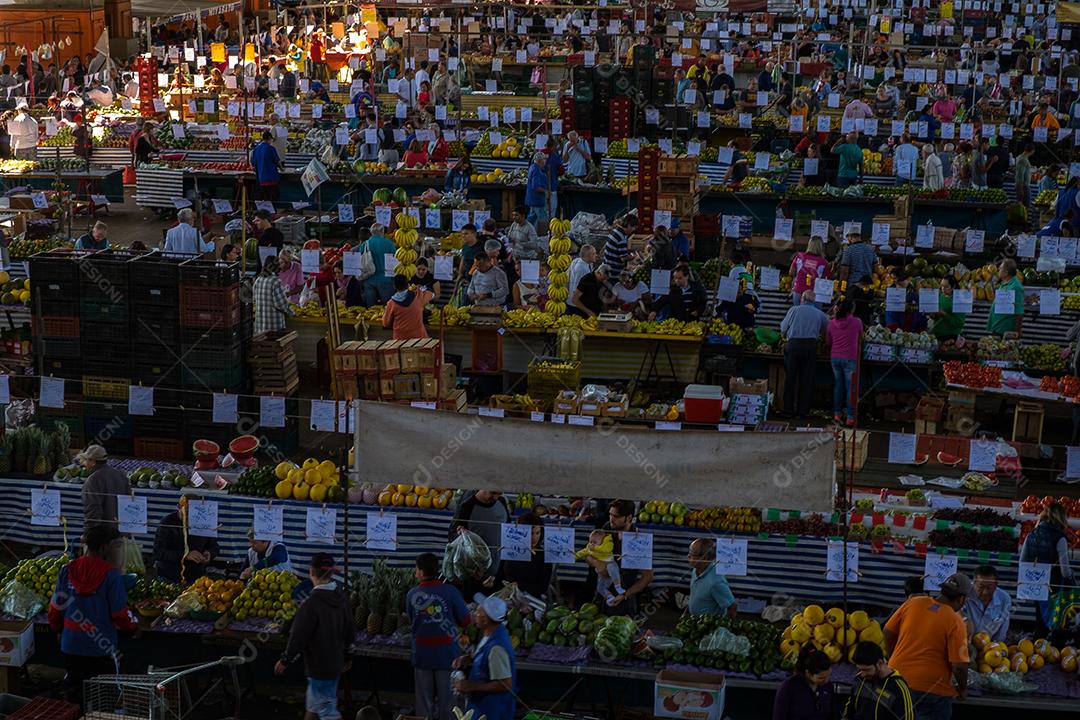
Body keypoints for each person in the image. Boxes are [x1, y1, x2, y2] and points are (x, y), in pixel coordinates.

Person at [48, 526, 135, 703]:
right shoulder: (112, 575)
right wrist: (132, 627)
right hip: (100, 646)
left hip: (71, 644)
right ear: (105, 547)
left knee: (74, 697)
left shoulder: (67, 570)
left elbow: (55, 609)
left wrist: (58, 630)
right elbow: (119, 613)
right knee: (103, 699)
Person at [275, 554, 356, 720]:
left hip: (319, 666)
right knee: (313, 708)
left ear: (311, 572)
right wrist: (348, 655)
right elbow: (350, 630)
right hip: (336, 662)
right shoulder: (342, 597)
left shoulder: (311, 603)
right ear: (332, 574)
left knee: (327, 713)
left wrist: (285, 659)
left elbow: (298, 636)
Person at [884, 573, 971, 718]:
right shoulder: (956, 621)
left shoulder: (913, 602)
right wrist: (962, 689)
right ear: (961, 598)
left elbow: (887, 632)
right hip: (931, 692)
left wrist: (892, 658)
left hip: (896, 682)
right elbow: (959, 666)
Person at [408, 552, 471, 720]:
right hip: (447, 655)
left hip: (422, 655)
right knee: (449, 706)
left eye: (416, 569)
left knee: (423, 705)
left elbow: (411, 621)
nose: (415, 572)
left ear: (421, 572)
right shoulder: (451, 591)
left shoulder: (412, 594)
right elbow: (466, 620)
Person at [582, 499, 653, 616]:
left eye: (616, 516)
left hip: (624, 600)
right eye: (610, 514)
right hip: (601, 594)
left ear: (629, 518)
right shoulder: (606, 529)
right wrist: (596, 563)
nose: (611, 519)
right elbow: (587, 556)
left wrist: (625, 595)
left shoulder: (638, 540)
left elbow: (647, 577)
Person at [454, 593, 517, 720]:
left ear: (486, 619)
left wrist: (472, 686)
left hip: (492, 710)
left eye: (478, 611)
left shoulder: (496, 648)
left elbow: (505, 684)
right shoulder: (491, 634)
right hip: (482, 707)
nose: (475, 615)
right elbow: (486, 656)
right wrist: (470, 658)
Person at [1020, 503, 1075, 636]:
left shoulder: (1032, 534)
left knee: (1040, 619)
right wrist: (1072, 577)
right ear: (1061, 518)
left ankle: (1039, 648)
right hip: (1055, 585)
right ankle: (1056, 650)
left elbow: (1022, 561)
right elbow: (1065, 571)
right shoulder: (1059, 538)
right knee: (1057, 620)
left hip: (1037, 583)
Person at [780, 292, 829, 419]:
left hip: (794, 345)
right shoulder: (820, 314)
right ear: (814, 301)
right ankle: (802, 412)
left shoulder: (794, 310)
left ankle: (788, 411)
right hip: (810, 346)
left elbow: (783, 328)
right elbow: (826, 331)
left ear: (802, 299)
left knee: (790, 379)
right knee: (806, 380)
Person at [450, 491, 511, 593]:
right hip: (474, 575)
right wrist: (459, 533)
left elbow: (507, 530)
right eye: (493, 493)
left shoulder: (502, 502)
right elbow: (452, 536)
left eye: (499, 494)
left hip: (496, 573)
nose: (495, 497)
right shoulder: (467, 506)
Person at [153, 496, 219, 583]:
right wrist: (185, 555)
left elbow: (214, 546)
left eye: (195, 513)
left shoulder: (203, 522)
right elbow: (158, 553)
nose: (190, 516)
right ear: (179, 507)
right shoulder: (167, 523)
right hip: (170, 576)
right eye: (187, 512)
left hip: (196, 576)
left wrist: (210, 553)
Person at [844, 642, 915, 720]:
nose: (863, 674)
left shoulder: (898, 687)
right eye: (860, 669)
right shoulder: (859, 679)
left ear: (880, 663)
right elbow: (849, 712)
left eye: (867, 670)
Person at [772, 646, 834, 720]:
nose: (826, 680)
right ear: (808, 673)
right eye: (821, 678)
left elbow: (832, 715)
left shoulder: (828, 686)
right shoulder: (788, 687)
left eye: (829, 675)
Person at [499, 513, 552, 599]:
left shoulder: (543, 555)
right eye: (531, 533)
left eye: (537, 533)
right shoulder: (510, 549)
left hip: (530, 600)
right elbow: (501, 573)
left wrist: (520, 585)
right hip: (506, 596)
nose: (534, 537)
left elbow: (542, 587)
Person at [78, 445, 130, 531]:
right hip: (121, 531)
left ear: (93, 461)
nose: (84, 463)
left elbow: (92, 509)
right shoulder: (120, 475)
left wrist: (88, 532)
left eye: (85, 460)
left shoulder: (93, 480)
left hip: (103, 533)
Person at [828, 299, 863, 426]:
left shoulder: (832, 323)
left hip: (835, 358)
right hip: (850, 358)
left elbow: (828, 342)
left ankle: (837, 414)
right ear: (851, 310)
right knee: (850, 388)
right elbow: (861, 337)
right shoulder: (857, 322)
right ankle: (850, 417)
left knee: (838, 385)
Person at [576, 528, 626, 606]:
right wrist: (573, 557)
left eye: (595, 542)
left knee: (611, 568)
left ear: (603, 541)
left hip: (610, 564)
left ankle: (618, 586)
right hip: (602, 573)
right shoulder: (590, 548)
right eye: (590, 542)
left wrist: (595, 548)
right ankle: (609, 596)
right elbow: (582, 552)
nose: (592, 544)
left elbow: (606, 550)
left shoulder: (607, 543)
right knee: (600, 587)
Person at [687, 538, 735, 617]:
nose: (688, 556)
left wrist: (724, 626)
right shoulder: (696, 570)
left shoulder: (716, 582)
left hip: (708, 625)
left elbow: (732, 607)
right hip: (695, 621)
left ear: (704, 558)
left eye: (692, 554)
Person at [963, 565, 1011, 643]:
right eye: (980, 587)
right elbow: (955, 612)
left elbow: (1002, 630)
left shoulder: (1004, 599)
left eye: (989, 588)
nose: (985, 592)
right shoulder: (964, 594)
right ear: (974, 583)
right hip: (965, 642)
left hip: (989, 646)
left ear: (996, 585)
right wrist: (965, 620)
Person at [383, 274, 434, 340]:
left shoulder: (391, 303)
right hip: (418, 338)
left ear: (394, 287)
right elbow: (432, 295)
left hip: (400, 340)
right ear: (408, 285)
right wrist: (420, 289)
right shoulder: (418, 296)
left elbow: (386, 323)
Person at [253, 256, 295, 333]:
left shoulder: (258, 280)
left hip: (260, 326)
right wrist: (292, 313)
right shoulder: (275, 281)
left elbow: (255, 299)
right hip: (274, 326)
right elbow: (281, 304)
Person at [360, 224, 397, 305]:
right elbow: (395, 262)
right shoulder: (389, 244)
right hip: (385, 279)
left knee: (371, 310)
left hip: (368, 279)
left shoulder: (364, 245)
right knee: (388, 307)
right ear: (382, 231)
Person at [986, 259, 1023, 336]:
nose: (998, 269)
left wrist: (1017, 331)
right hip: (998, 327)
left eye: (1000, 268)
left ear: (1006, 272)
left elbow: (1019, 312)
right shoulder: (1005, 283)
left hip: (1005, 330)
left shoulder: (1015, 287)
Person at [790, 236, 829, 305]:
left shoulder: (799, 256)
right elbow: (825, 280)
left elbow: (791, 272)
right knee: (814, 315)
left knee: (799, 314)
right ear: (821, 247)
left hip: (798, 291)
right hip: (815, 295)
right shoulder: (824, 262)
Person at [929, 275, 966, 341]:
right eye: (941, 286)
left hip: (951, 336)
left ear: (953, 287)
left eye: (946, 286)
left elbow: (959, 323)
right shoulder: (941, 296)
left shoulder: (959, 300)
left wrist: (944, 314)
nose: (943, 288)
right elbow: (938, 315)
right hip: (937, 334)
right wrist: (933, 315)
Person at [251, 130, 283, 201]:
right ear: (269, 138)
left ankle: (266, 212)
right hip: (271, 179)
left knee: (264, 200)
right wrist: (282, 169)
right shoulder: (271, 148)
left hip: (261, 180)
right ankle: (273, 212)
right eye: (271, 139)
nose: (272, 141)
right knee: (273, 200)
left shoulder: (256, 149)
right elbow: (277, 161)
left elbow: (253, 164)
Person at [524, 152, 550, 231]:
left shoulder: (533, 167)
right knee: (544, 218)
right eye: (544, 160)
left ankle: (523, 230)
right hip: (536, 200)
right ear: (539, 161)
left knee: (531, 217)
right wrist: (546, 191)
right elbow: (535, 187)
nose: (545, 162)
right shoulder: (536, 170)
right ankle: (545, 235)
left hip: (532, 199)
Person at [1014, 142, 1034, 207]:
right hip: (1023, 186)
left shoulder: (1021, 157)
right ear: (1032, 151)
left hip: (1023, 185)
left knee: (1023, 206)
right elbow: (1020, 176)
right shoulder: (1023, 159)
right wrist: (1021, 189)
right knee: (1025, 206)